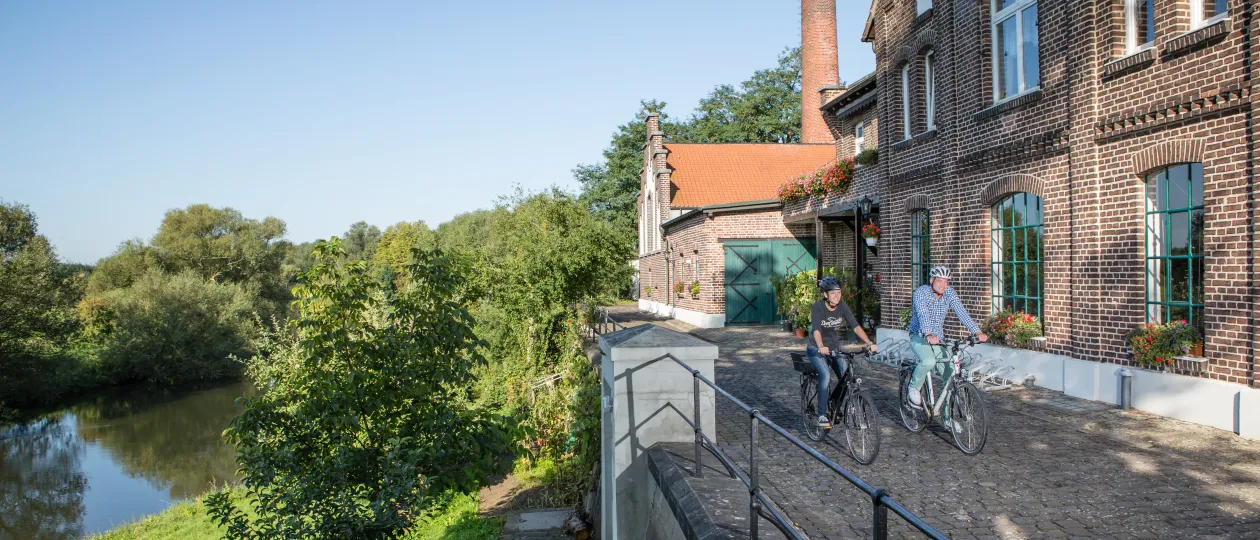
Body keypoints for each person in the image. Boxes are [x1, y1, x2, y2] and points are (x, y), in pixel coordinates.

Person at [905, 266, 988, 432]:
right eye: (940, 281)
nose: (943, 284)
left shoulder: (949, 293)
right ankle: (913, 387)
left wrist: (977, 332)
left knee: (950, 374)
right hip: (919, 335)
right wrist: (928, 333)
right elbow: (923, 314)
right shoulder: (921, 293)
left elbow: (961, 312)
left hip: (939, 339)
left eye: (946, 281)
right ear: (931, 280)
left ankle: (946, 417)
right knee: (928, 361)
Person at [807, 275, 877, 429]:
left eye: (838, 292)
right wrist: (820, 346)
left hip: (834, 348)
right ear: (825, 294)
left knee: (846, 376)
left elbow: (855, 325)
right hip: (816, 349)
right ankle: (822, 414)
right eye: (832, 293)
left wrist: (869, 342)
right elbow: (817, 330)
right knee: (825, 376)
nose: (836, 296)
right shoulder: (817, 307)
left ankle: (833, 402)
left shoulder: (843, 306)